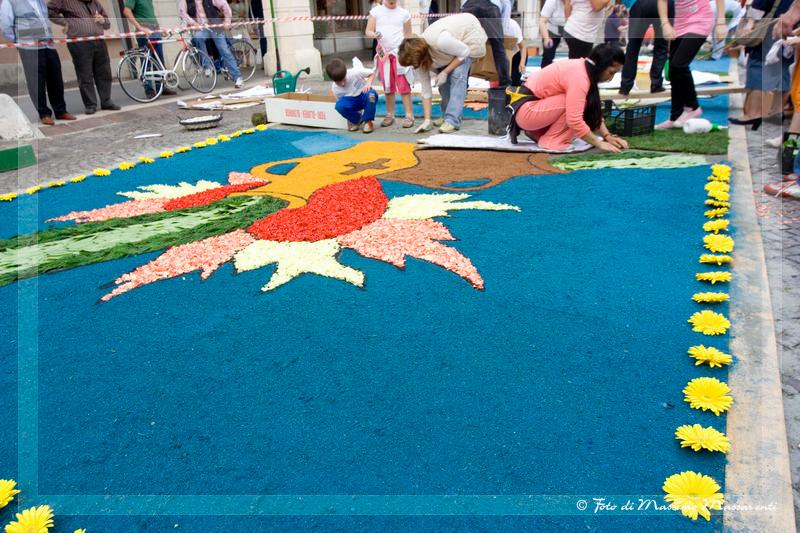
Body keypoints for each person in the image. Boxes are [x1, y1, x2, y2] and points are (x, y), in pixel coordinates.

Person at [508, 43, 629, 152]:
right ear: (600, 67)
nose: (610, 78)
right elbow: (574, 120)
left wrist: (607, 136)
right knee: (576, 105)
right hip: (527, 112)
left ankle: (539, 133)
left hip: (530, 111)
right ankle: (551, 141)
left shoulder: (583, 68)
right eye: (611, 72)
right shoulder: (580, 77)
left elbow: (594, 109)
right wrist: (599, 143)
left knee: (580, 103)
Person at [398, 13, 488, 133]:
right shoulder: (418, 62)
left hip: (469, 36)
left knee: (457, 76)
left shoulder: (441, 41)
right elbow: (426, 90)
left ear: (421, 57)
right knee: (443, 83)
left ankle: (452, 120)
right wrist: (427, 120)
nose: (413, 67)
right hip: (452, 47)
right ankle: (446, 116)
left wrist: (445, 72)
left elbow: (464, 52)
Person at [0, 0, 76, 125]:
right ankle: (44, 114)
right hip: (29, 47)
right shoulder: (10, 2)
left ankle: (61, 111)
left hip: (48, 45)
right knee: (36, 81)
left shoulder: (40, 2)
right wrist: (19, 41)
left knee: (56, 78)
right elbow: (5, 25)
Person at [656, 0, 727, 128]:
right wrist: (665, 24)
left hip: (700, 20)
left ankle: (692, 106)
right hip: (680, 22)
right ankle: (675, 116)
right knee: (673, 70)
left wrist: (721, 23)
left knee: (679, 65)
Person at [728, 0, 794, 129]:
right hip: (793, 24)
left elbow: (760, 3)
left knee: (758, 65)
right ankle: (777, 112)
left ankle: (754, 113)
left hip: (773, 23)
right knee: (784, 66)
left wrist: (750, 23)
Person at [48, 0, 120, 114]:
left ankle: (106, 101)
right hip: (79, 43)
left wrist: (103, 20)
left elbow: (107, 24)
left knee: (104, 73)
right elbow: (50, 11)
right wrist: (65, 23)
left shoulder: (95, 3)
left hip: (99, 41)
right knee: (85, 75)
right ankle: (90, 104)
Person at [366, 0, 415, 128]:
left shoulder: (404, 13)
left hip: (400, 54)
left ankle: (409, 115)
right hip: (384, 55)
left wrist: (409, 53)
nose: (392, 2)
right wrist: (374, 34)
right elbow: (368, 31)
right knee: (387, 86)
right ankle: (389, 115)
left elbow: (408, 35)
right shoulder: (375, 12)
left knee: (404, 86)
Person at [178, 0, 243, 88]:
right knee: (197, 38)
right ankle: (207, 66)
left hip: (215, 26)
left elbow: (224, 5)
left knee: (224, 50)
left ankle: (238, 77)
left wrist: (227, 20)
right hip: (201, 28)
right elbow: (182, 13)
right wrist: (193, 23)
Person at [122, 0, 176, 97]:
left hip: (155, 30)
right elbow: (126, 11)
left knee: (159, 61)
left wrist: (159, 29)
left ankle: (161, 87)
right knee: (146, 62)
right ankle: (149, 90)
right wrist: (140, 28)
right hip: (144, 32)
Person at [619, 0, 672, 94]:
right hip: (663, 4)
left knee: (633, 47)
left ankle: (625, 86)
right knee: (661, 47)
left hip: (639, 4)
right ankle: (656, 84)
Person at [461, 0, 511, 85]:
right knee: (498, 48)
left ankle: (462, 83)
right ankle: (504, 83)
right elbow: (506, 4)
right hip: (490, 8)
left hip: (469, 7)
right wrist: (504, 31)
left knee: (467, 46)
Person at [326, 57, 378, 133]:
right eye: (338, 82)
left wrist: (368, 83)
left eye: (344, 79)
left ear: (346, 73)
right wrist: (350, 118)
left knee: (371, 95)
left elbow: (372, 73)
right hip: (353, 102)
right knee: (339, 106)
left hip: (364, 95)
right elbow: (343, 105)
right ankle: (357, 120)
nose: (342, 84)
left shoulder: (355, 73)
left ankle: (368, 121)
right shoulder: (335, 89)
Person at [539, 0, 566, 68]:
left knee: (576, 56)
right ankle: (545, 72)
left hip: (569, 28)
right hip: (552, 29)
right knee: (548, 56)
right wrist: (546, 38)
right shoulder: (551, 1)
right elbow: (542, 21)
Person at [504, 16, 527, 85]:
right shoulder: (490, 24)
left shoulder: (512, 25)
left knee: (514, 81)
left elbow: (523, 47)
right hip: (502, 55)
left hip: (516, 53)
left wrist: (522, 62)